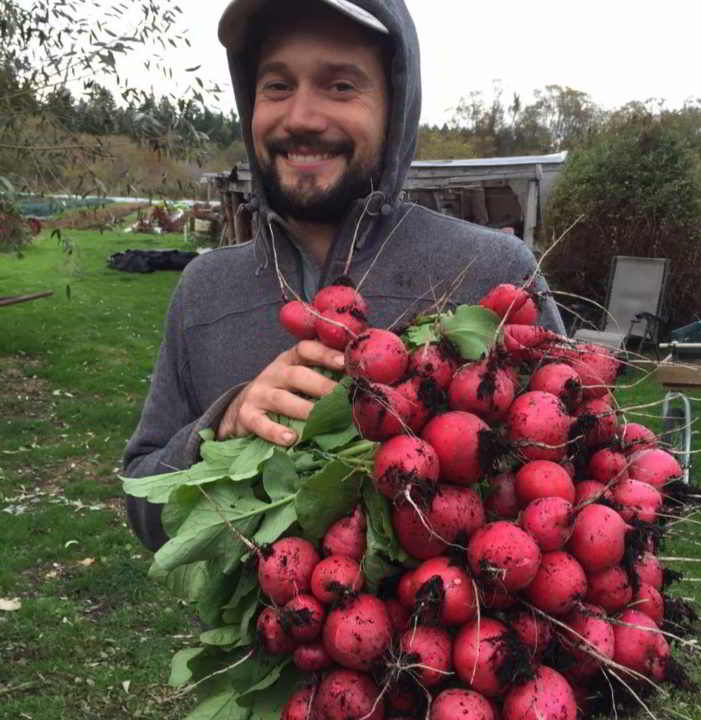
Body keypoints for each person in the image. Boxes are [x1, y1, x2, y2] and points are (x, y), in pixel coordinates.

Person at [123, 0, 565, 551]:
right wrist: (223, 424)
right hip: (270, 637)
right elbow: (142, 504)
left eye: (340, 86)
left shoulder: (493, 270)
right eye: (278, 86)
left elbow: (573, 485)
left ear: (394, 109)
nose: (302, 117)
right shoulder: (205, 288)